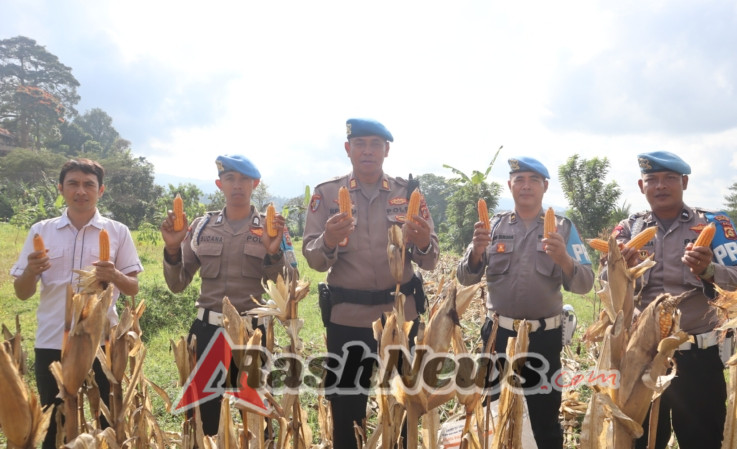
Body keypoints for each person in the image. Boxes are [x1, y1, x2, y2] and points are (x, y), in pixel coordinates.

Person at [302, 118, 438, 449]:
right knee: (348, 406)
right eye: (360, 144)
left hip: (400, 318)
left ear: (386, 150)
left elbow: (431, 258)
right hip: (348, 319)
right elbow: (314, 259)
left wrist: (421, 243)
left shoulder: (408, 194)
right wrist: (329, 241)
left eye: (375, 144)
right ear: (348, 149)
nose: (367, 151)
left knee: (406, 405)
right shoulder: (327, 194)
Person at [612, 151, 737, 449]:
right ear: (641, 186)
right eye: (652, 180)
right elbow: (606, 290)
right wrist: (620, 271)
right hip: (643, 356)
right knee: (641, 441)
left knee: (702, 440)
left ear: (684, 182)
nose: (660, 186)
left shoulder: (712, 225)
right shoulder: (628, 229)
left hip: (698, 355)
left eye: (669, 179)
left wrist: (709, 270)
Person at [456, 156, 595, 449]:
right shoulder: (492, 226)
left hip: (542, 338)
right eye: (519, 180)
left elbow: (585, 283)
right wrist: (477, 253)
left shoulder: (564, 228)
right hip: (498, 335)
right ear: (510, 185)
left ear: (545, 186)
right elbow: (465, 277)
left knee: (543, 419)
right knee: (494, 416)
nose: (526, 186)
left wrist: (564, 260)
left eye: (533, 180)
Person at [11, 158, 143, 449]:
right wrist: (31, 272)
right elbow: (21, 292)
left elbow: (133, 287)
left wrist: (115, 275)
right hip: (52, 340)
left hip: (102, 341)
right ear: (61, 188)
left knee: (106, 420)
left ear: (101, 190)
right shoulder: (40, 231)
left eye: (88, 185)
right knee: (52, 422)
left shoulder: (118, 231)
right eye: (73, 183)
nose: (80, 191)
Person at [160, 154, 287, 436]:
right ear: (220, 184)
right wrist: (171, 249)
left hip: (252, 334)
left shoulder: (271, 227)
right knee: (205, 419)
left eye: (244, 179)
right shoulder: (201, 227)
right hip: (208, 331)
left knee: (255, 416)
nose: (237, 185)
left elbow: (287, 285)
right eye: (230, 178)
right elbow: (178, 284)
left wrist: (273, 251)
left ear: (255, 184)